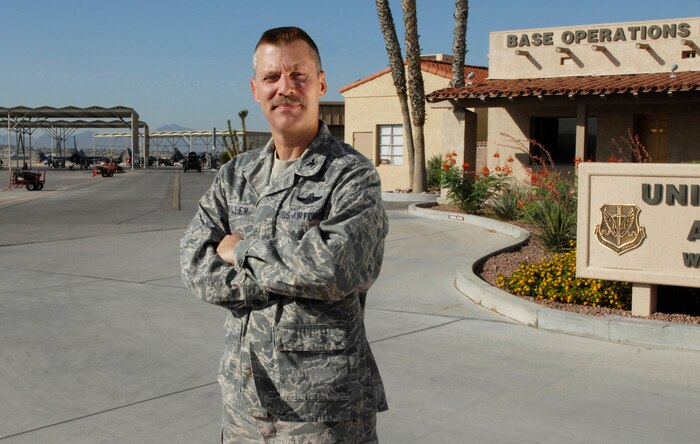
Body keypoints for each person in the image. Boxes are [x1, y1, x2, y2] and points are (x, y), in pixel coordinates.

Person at [180, 26, 388, 443]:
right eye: (273, 77)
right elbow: (194, 263)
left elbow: (335, 268)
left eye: (299, 75)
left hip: (322, 411)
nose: (286, 88)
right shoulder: (236, 175)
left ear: (320, 84)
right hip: (243, 403)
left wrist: (242, 252)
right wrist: (288, 275)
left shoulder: (351, 176)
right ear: (256, 89)